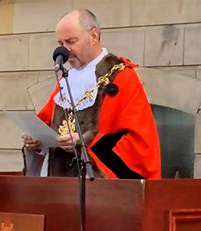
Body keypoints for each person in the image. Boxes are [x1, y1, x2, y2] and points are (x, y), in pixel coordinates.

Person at [22, 9, 161, 180]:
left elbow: (138, 142)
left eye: (71, 41)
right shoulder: (66, 81)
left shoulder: (121, 77)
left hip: (100, 190)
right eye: (60, 43)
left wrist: (84, 142)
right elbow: (45, 124)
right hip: (59, 187)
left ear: (93, 36)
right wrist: (36, 142)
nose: (65, 50)